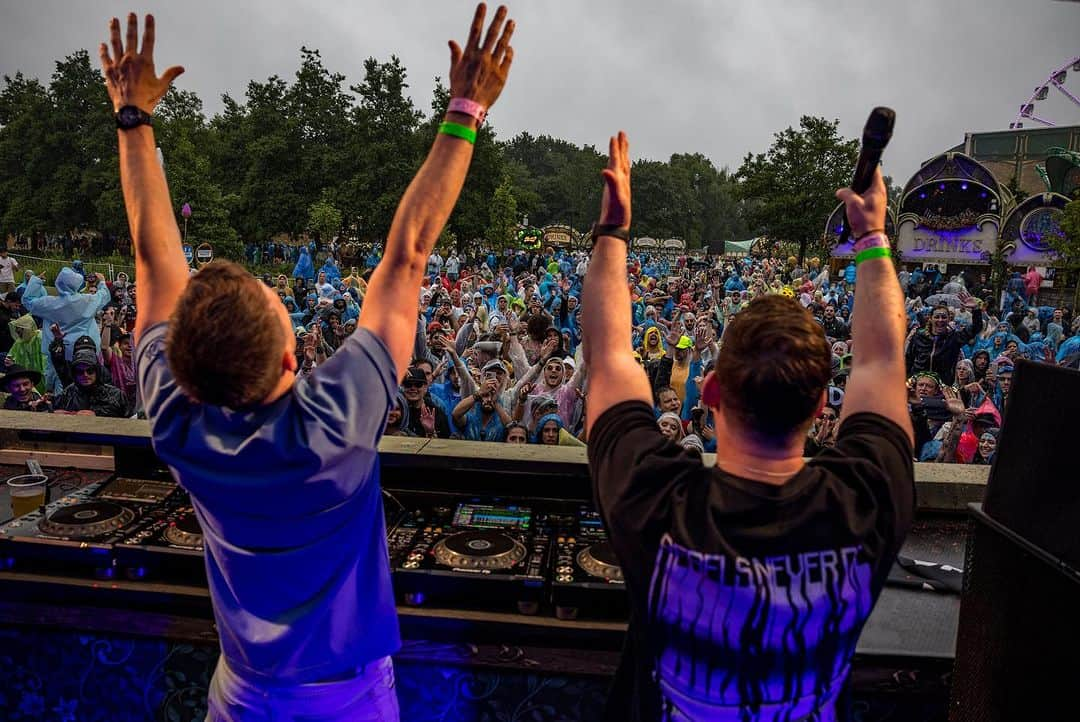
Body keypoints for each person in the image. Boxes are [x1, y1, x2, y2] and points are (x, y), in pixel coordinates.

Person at [103, 8, 514, 720]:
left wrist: (133, 120)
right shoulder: (334, 421)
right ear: (294, 356)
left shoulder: (175, 420)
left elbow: (150, 256)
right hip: (347, 697)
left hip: (242, 692)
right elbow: (409, 252)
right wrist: (466, 110)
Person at [583, 132, 913, 720]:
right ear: (820, 409)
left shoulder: (654, 500)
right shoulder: (864, 503)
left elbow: (609, 357)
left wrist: (611, 233)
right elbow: (884, 361)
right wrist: (872, 238)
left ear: (708, 391)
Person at [905, 296, 983, 385]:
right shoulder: (919, 336)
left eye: (944, 317)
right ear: (930, 318)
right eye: (937, 317)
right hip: (919, 385)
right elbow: (908, 360)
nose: (940, 320)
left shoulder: (954, 338)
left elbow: (976, 328)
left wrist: (976, 309)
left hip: (942, 387)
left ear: (949, 319)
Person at [53, 344, 127, 417]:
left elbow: (128, 418)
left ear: (97, 371)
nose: (85, 375)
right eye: (80, 371)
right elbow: (51, 408)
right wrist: (52, 412)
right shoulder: (68, 393)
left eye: (90, 371)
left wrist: (97, 414)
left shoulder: (115, 395)